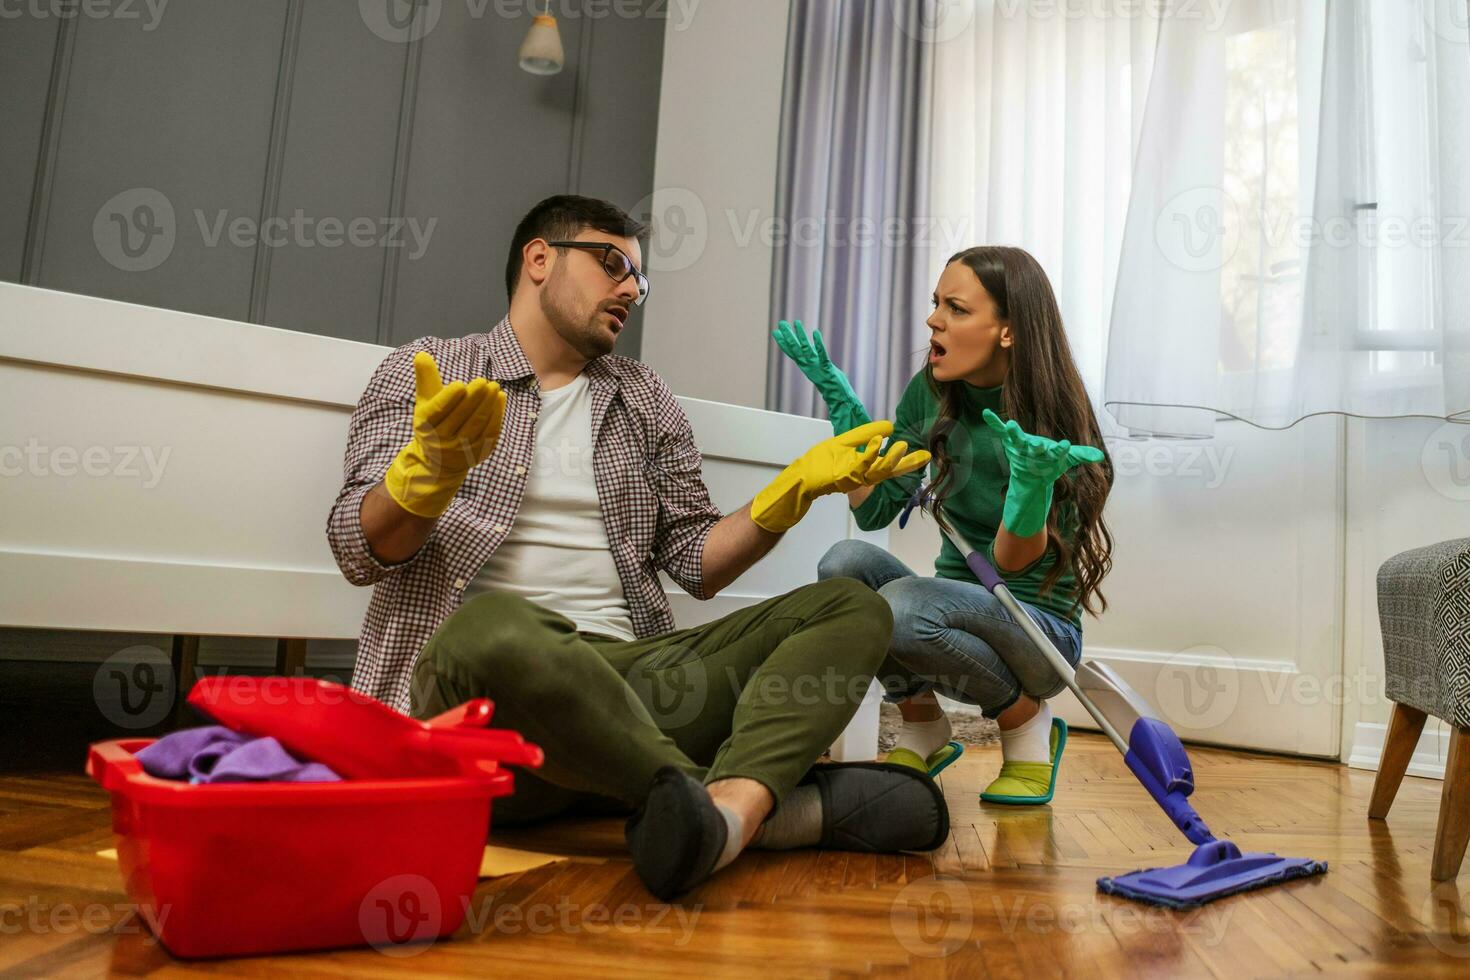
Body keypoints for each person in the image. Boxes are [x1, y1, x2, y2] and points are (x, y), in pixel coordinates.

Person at [326, 195, 945, 900]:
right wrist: (423, 483)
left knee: (853, 606)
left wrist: (789, 497)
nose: (630, 289)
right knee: (491, 626)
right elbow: (357, 547)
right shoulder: (430, 369)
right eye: (613, 263)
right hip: (480, 715)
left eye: (639, 279)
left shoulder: (644, 397)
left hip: (633, 688)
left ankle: (722, 818)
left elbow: (696, 563)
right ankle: (756, 803)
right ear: (538, 258)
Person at [777, 245, 1114, 806]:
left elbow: (1011, 565)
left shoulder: (1053, 423)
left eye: (956, 308)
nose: (934, 319)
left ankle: (1026, 723)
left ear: (1007, 331)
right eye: (937, 304)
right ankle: (923, 724)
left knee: (903, 606)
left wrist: (1031, 486)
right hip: (954, 611)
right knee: (843, 571)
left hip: (1038, 633)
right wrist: (842, 408)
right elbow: (876, 506)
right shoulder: (932, 392)